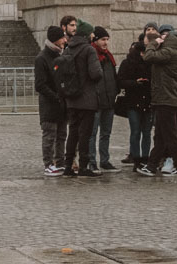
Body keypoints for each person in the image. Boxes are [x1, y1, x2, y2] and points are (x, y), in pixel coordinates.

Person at [138, 24, 177, 177]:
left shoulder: (170, 52)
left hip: (167, 99)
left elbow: (149, 56)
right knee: (160, 135)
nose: (162, 37)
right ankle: (152, 165)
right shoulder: (172, 51)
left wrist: (153, 43)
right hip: (164, 98)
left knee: (170, 134)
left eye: (165, 36)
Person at [60, 16, 102, 177]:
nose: (93, 36)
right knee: (85, 134)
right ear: (86, 34)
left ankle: (68, 166)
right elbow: (95, 73)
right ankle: (84, 166)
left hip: (72, 98)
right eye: (91, 33)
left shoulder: (68, 48)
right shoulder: (88, 49)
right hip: (87, 99)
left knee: (73, 133)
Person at [118, 24, 155, 164]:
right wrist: (135, 82)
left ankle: (145, 158)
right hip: (133, 102)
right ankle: (136, 158)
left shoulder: (151, 63)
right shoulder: (128, 63)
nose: (143, 55)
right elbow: (120, 81)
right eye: (141, 52)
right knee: (135, 132)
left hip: (147, 101)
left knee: (146, 132)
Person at [34, 24, 68, 177]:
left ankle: (60, 162)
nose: (65, 40)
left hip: (62, 104)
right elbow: (40, 84)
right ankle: (48, 164)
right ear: (55, 39)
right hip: (49, 104)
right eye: (62, 37)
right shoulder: (42, 58)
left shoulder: (61, 55)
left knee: (61, 135)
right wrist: (55, 97)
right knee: (49, 135)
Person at [90, 25, 118, 170]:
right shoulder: (92, 55)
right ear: (95, 40)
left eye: (107, 39)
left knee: (106, 133)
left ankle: (105, 160)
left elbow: (113, 77)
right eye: (102, 39)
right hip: (95, 101)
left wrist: (115, 93)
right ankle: (92, 161)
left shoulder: (109, 57)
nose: (105, 42)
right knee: (92, 134)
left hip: (109, 101)